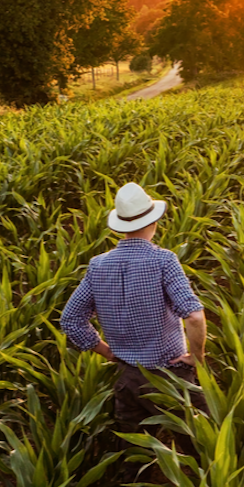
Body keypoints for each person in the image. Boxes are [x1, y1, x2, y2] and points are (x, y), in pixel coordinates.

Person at [61, 182, 208, 429]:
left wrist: (106, 352)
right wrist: (197, 357)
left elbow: (70, 319)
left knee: (135, 451)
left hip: (127, 377)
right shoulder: (163, 261)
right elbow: (194, 316)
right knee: (205, 444)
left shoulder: (98, 266)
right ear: (154, 223)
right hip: (170, 376)